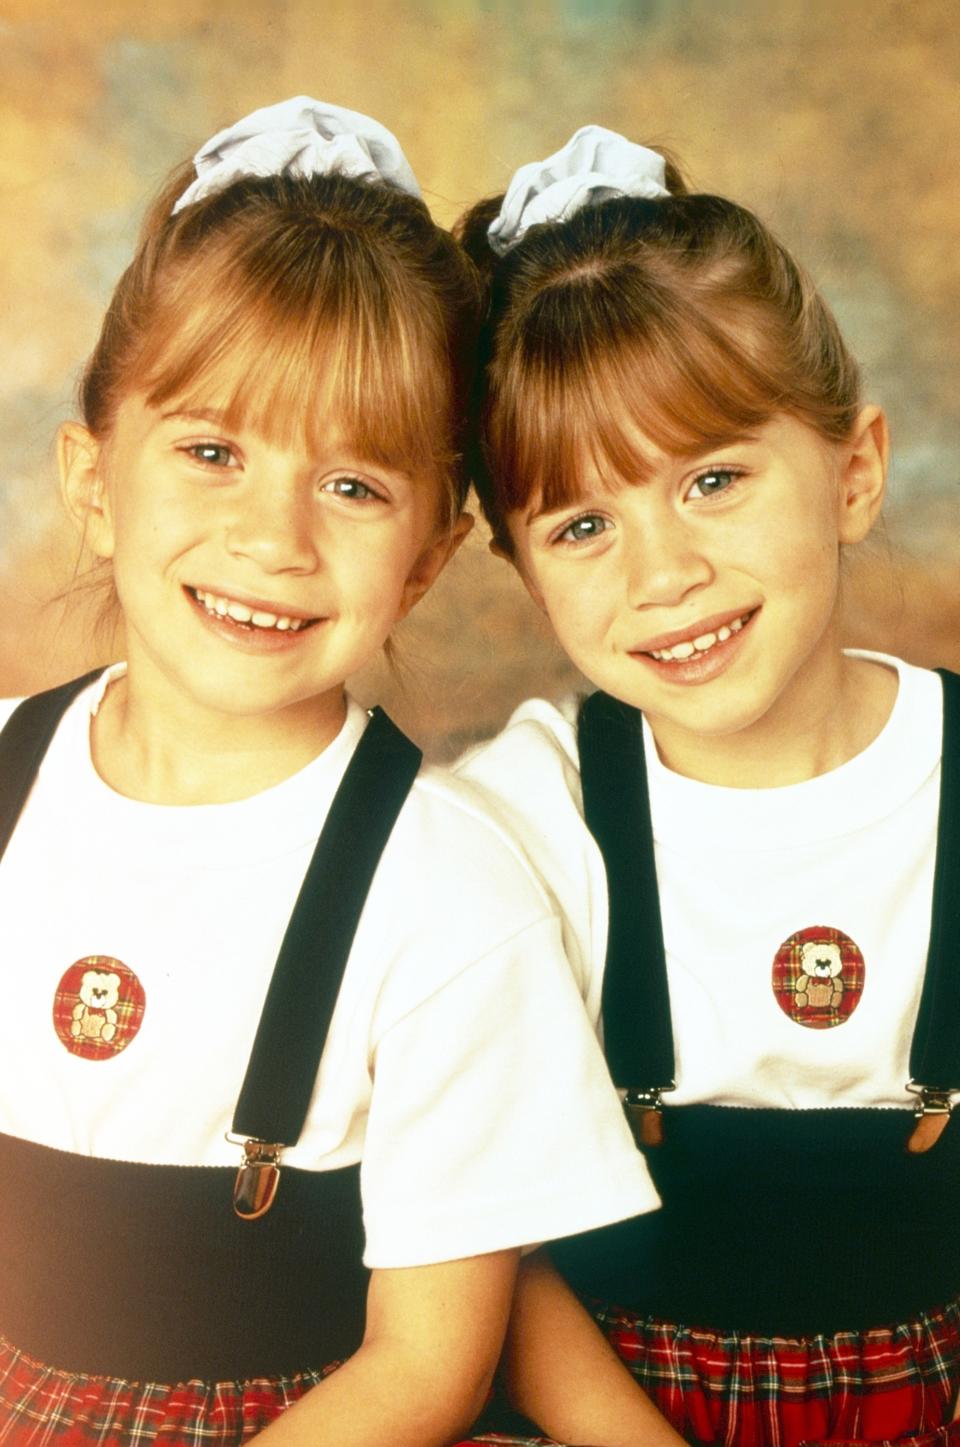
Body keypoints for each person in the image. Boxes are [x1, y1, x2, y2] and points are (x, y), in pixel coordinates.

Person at [0, 103, 666, 1447]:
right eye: (210, 452)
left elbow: (424, 1372)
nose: (274, 538)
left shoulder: (449, 893)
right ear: (91, 481)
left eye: (353, 487)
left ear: (428, 556)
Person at [453, 126, 960, 1447]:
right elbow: (497, 1250)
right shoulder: (523, 820)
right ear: (519, 565)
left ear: (853, 472)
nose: (660, 574)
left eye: (715, 480)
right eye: (582, 525)